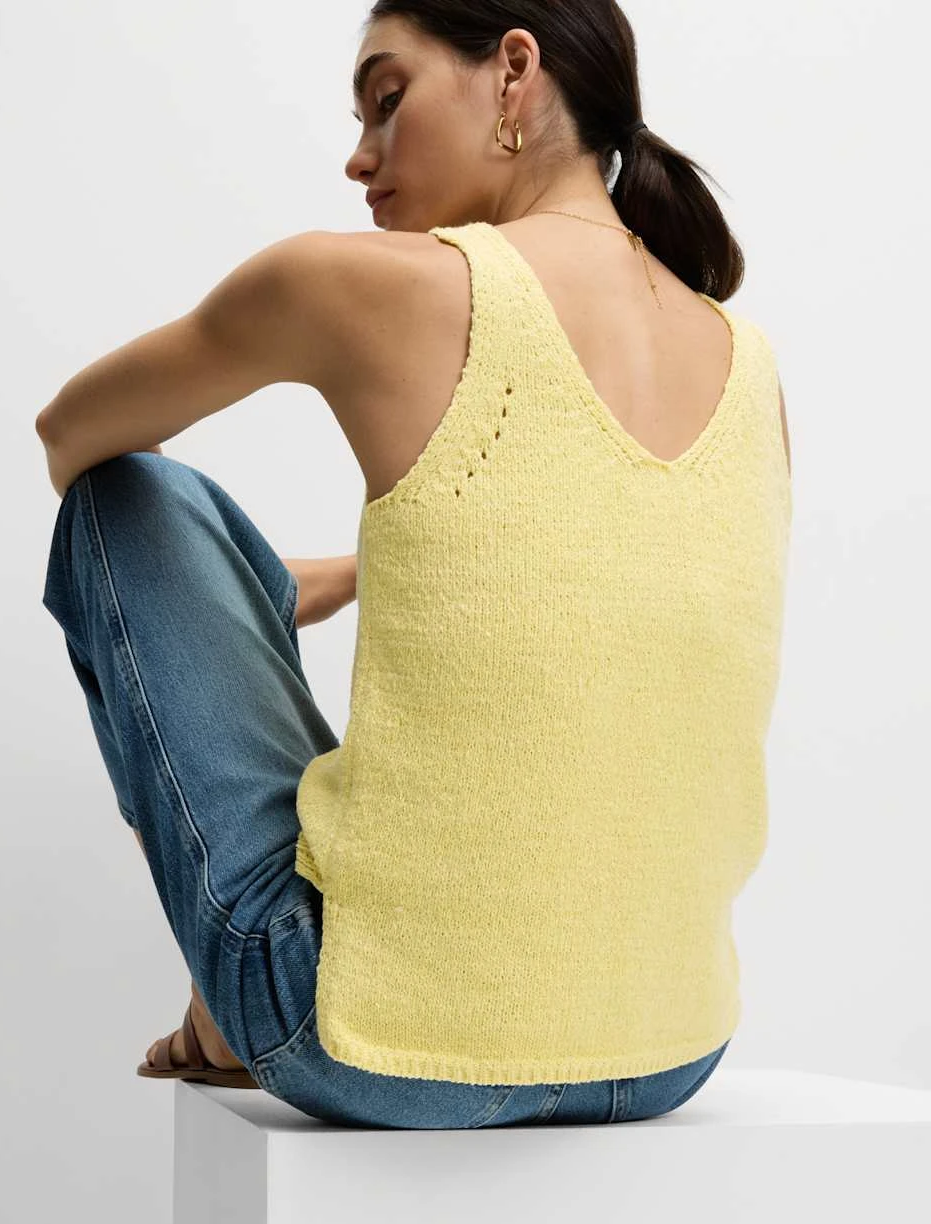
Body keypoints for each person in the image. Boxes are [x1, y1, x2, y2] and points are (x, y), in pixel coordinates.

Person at [40, 0, 791, 1129]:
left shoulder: (361, 283)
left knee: (130, 500)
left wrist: (248, 583)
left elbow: (70, 439)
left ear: (514, 73)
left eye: (386, 101)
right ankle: (271, 596)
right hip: (673, 1047)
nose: (359, 156)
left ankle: (231, 1008)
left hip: (375, 1048)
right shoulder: (752, 364)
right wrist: (365, 568)